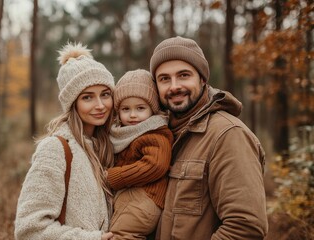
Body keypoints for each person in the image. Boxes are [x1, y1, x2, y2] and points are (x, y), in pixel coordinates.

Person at [149, 36, 268, 239]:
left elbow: (246, 227)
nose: (174, 86)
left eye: (184, 75)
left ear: (202, 79)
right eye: (164, 79)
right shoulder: (162, 135)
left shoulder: (228, 135)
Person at [15, 42, 115, 240]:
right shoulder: (55, 149)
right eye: (88, 97)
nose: (100, 105)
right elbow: (29, 229)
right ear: (73, 103)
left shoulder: (107, 146)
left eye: (105, 94)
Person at [106, 69, 173, 239]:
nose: (133, 114)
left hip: (145, 199)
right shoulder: (125, 134)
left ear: (153, 109)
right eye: (126, 109)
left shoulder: (155, 134)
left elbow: (156, 165)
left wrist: (115, 176)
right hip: (131, 197)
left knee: (121, 235)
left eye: (140, 108)